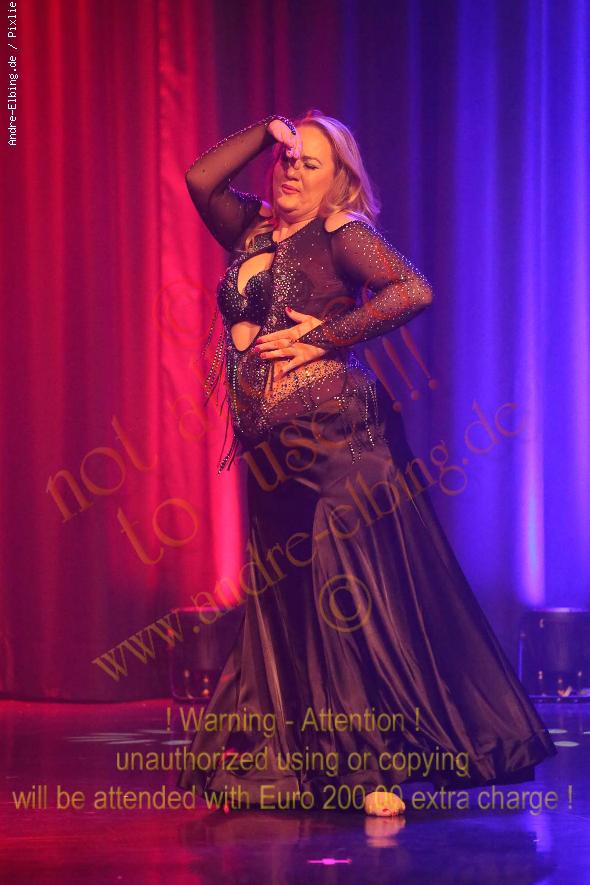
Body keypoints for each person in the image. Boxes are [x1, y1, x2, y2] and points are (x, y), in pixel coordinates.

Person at [177, 111, 557, 817]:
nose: (293, 171)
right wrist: (268, 130)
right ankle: (308, 756)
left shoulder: (341, 233)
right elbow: (201, 179)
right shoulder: (251, 229)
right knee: (289, 606)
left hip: (340, 442)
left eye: (310, 163)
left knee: (345, 600)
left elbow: (413, 289)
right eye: (288, 160)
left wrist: (328, 336)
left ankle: (375, 767)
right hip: (272, 457)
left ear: (339, 182)